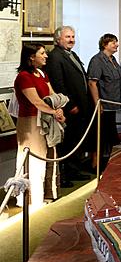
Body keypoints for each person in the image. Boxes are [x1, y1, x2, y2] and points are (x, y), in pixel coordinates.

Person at [14, 44, 66, 209]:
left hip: (46, 119)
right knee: (35, 159)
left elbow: (52, 95)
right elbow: (36, 101)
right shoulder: (23, 77)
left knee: (49, 156)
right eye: (42, 53)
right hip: (30, 123)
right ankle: (32, 198)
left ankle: (47, 194)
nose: (46, 56)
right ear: (31, 57)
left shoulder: (42, 73)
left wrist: (58, 110)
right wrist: (54, 112)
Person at [45, 26, 91, 185]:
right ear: (58, 39)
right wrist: (70, 104)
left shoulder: (72, 54)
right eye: (67, 37)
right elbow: (58, 83)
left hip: (80, 106)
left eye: (73, 36)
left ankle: (74, 170)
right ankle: (64, 175)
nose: (71, 39)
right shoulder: (55, 57)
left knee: (76, 139)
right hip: (68, 108)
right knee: (67, 142)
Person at [87, 33, 121, 166]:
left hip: (112, 105)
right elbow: (92, 83)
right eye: (113, 42)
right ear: (104, 44)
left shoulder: (112, 59)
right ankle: (96, 165)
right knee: (100, 136)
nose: (116, 44)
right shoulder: (97, 60)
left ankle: (110, 163)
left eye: (116, 42)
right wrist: (97, 103)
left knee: (110, 137)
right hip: (103, 105)